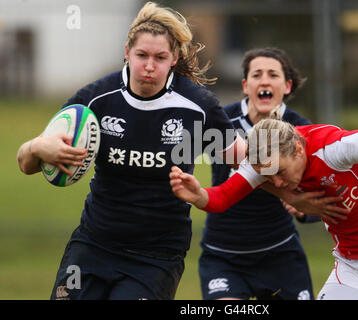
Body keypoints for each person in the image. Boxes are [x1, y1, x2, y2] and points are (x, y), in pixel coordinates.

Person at [16, 1, 249, 300]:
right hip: (93, 245)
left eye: (160, 57)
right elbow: (26, 162)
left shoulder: (197, 107)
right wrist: (38, 146)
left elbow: (243, 158)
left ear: (174, 58)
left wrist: (290, 178)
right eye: (142, 55)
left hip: (156, 256)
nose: (149, 66)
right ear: (127, 53)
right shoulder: (97, 99)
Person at [170, 119, 358, 300]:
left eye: (279, 172)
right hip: (354, 267)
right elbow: (222, 198)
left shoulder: (331, 148)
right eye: (267, 178)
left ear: (298, 150)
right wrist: (198, 195)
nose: (277, 184)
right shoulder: (266, 161)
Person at [199, 47, 320, 300]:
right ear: (245, 85)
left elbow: (324, 194)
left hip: (280, 252)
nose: (264, 80)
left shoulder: (304, 132)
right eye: (257, 75)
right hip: (224, 253)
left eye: (273, 75)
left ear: (287, 86)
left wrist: (306, 211)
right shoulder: (221, 122)